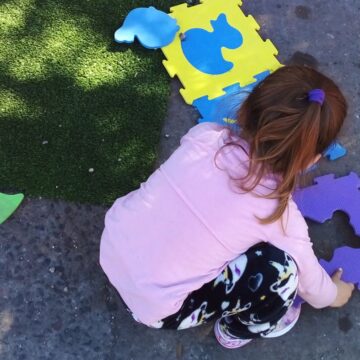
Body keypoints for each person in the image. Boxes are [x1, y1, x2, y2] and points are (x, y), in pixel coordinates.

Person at [99, 65, 354, 349]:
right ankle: (235, 331)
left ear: (246, 108)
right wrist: (336, 294)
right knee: (282, 273)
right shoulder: (279, 215)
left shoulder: (205, 136)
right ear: (311, 160)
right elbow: (313, 288)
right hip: (157, 308)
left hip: (111, 245)